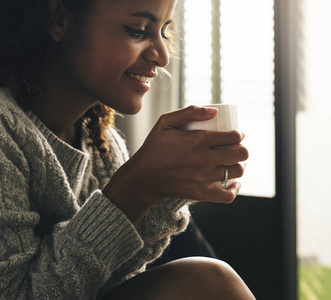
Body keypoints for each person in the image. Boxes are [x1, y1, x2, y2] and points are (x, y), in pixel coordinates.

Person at [0, 0, 254, 299]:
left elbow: (112, 280)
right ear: (58, 18)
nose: (161, 56)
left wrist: (162, 192)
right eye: (137, 30)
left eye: (164, 31)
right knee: (208, 279)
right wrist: (135, 187)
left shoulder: (102, 144)